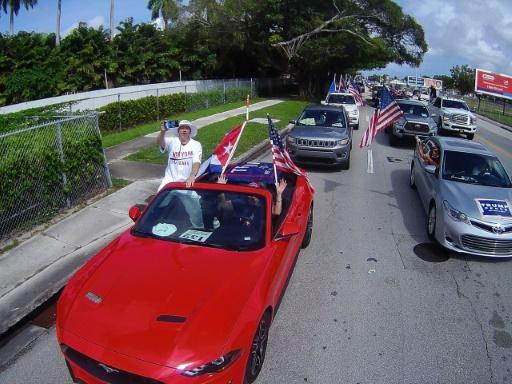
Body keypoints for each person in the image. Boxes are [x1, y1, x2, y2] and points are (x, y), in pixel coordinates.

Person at [157, 119, 203, 227]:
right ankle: (157, 222)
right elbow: (160, 142)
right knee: (157, 203)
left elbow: (197, 162)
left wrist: (192, 176)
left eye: (186, 128)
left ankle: (199, 227)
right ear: (178, 131)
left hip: (185, 183)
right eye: (182, 128)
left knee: (195, 209)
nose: (184, 130)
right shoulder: (172, 141)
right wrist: (162, 131)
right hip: (169, 181)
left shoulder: (196, 145)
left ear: (190, 131)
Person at [217, 175, 288, 216]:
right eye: (250, 194)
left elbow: (277, 212)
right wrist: (220, 189)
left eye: (255, 194)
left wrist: (279, 194)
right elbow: (223, 205)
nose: (252, 196)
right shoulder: (241, 202)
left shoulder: (265, 203)